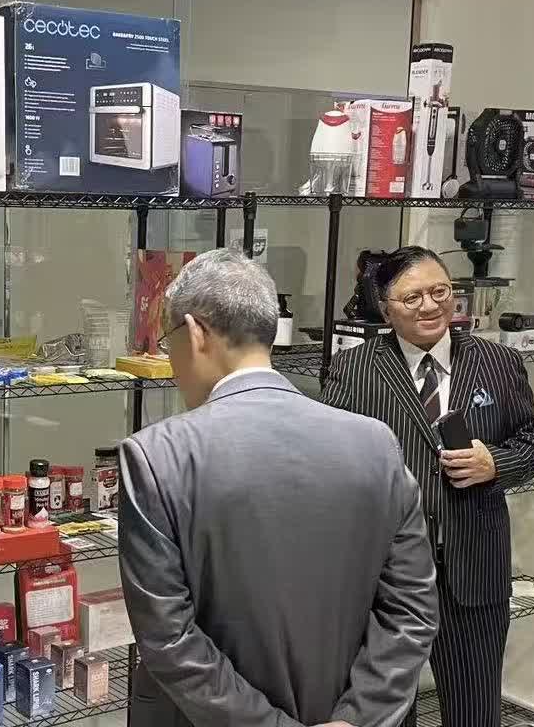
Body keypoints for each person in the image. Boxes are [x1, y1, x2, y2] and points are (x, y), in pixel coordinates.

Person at [118, 249, 439, 727]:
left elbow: (169, 638)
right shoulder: (376, 444)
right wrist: (358, 717)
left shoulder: (155, 456)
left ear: (196, 332)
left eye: (169, 344)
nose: (172, 362)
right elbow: (412, 608)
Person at [322, 246, 534, 727]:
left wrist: (495, 463)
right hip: (385, 576)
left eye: (440, 292)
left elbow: (533, 444)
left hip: (473, 567)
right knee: (385, 713)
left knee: (474, 712)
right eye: (412, 298)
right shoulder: (354, 369)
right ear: (385, 308)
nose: (430, 306)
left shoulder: (498, 362)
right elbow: (329, 460)